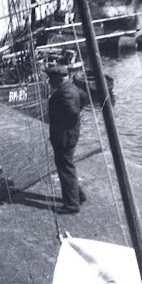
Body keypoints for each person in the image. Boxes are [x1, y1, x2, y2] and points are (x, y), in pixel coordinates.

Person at [46, 65, 88, 213]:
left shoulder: (65, 92)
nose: (49, 81)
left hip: (64, 136)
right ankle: (78, 195)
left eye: (51, 79)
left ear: (58, 78)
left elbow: (72, 113)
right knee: (67, 165)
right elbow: (84, 97)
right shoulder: (72, 88)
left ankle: (71, 205)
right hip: (69, 134)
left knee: (65, 168)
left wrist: (62, 125)